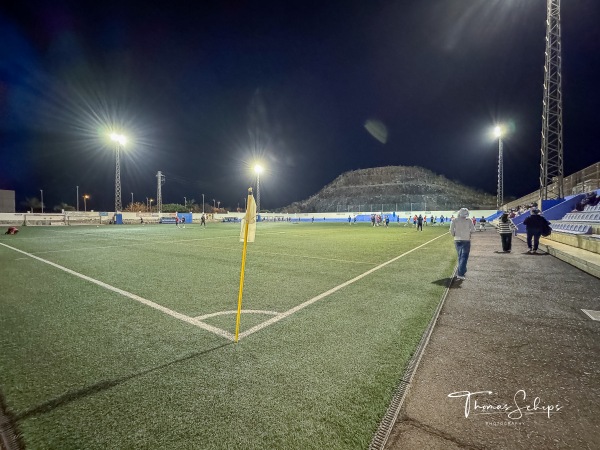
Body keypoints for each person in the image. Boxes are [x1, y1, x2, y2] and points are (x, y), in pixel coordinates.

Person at [450, 208, 476, 280]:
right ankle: (460, 273)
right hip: (466, 240)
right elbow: (473, 230)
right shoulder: (469, 220)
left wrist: (454, 235)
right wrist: (468, 232)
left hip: (457, 240)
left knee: (460, 256)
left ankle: (462, 270)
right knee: (464, 257)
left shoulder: (454, 220)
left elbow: (451, 230)